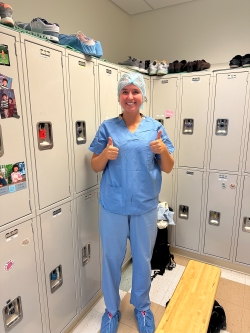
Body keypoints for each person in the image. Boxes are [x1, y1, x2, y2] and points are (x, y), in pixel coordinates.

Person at [89, 72, 174, 333]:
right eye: (125, 91)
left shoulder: (155, 128)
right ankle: (112, 311)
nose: (130, 96)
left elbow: (168, 168)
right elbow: (95, 166)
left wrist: (162, 151)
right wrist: (105, 154)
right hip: (113, 205)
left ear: (143, 96)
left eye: (135, 91)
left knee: (142, 259)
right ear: (119, 97)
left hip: (144, 206)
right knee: (111, 260)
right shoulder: (107, 127)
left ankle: (142, 307)